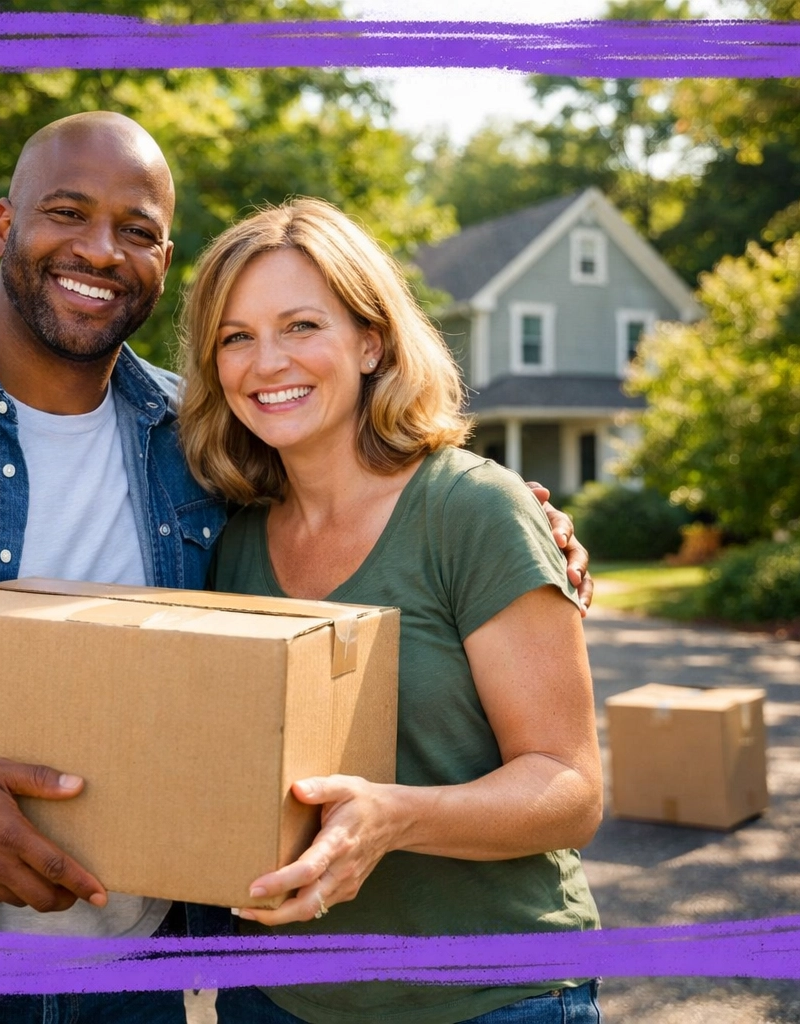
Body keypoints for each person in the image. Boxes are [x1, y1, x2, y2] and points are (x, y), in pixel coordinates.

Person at [0, 113, 593, 1024]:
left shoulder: (195, 446)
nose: (99, 250)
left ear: (164, 258)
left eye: (137, 230)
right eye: (67, 213)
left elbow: (378, 506)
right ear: (5, 227)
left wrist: (528, 527)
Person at [178, 197, 605, 1024]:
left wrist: (394, 818)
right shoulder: (231, 548)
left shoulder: (472, 511)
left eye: (302, 325)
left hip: (488, 997)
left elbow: (571, 789)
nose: (267, 362)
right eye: (236, 337)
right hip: (277, 999)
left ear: (371, 341)